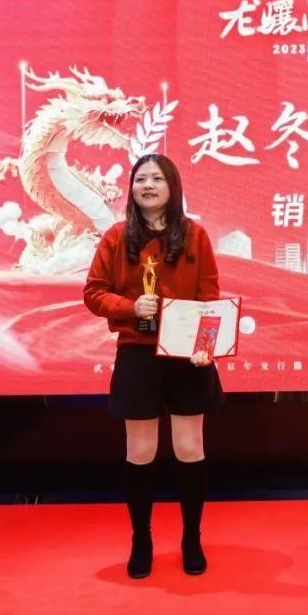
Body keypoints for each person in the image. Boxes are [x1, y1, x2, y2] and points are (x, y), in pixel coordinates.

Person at [84, 153, 223, 579]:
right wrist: (130, 306)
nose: (148, 185)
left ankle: (191, 538)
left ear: (172, 187)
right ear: (131, 189)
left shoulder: (195, 235)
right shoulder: (116, 237)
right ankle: (140, 539)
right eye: (140, 178)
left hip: (187, 356)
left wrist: (206, 346)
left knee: (190, 448)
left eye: (157, 179)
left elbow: (209, 296)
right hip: (137, 354)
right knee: (140, 451)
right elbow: (93, 292)